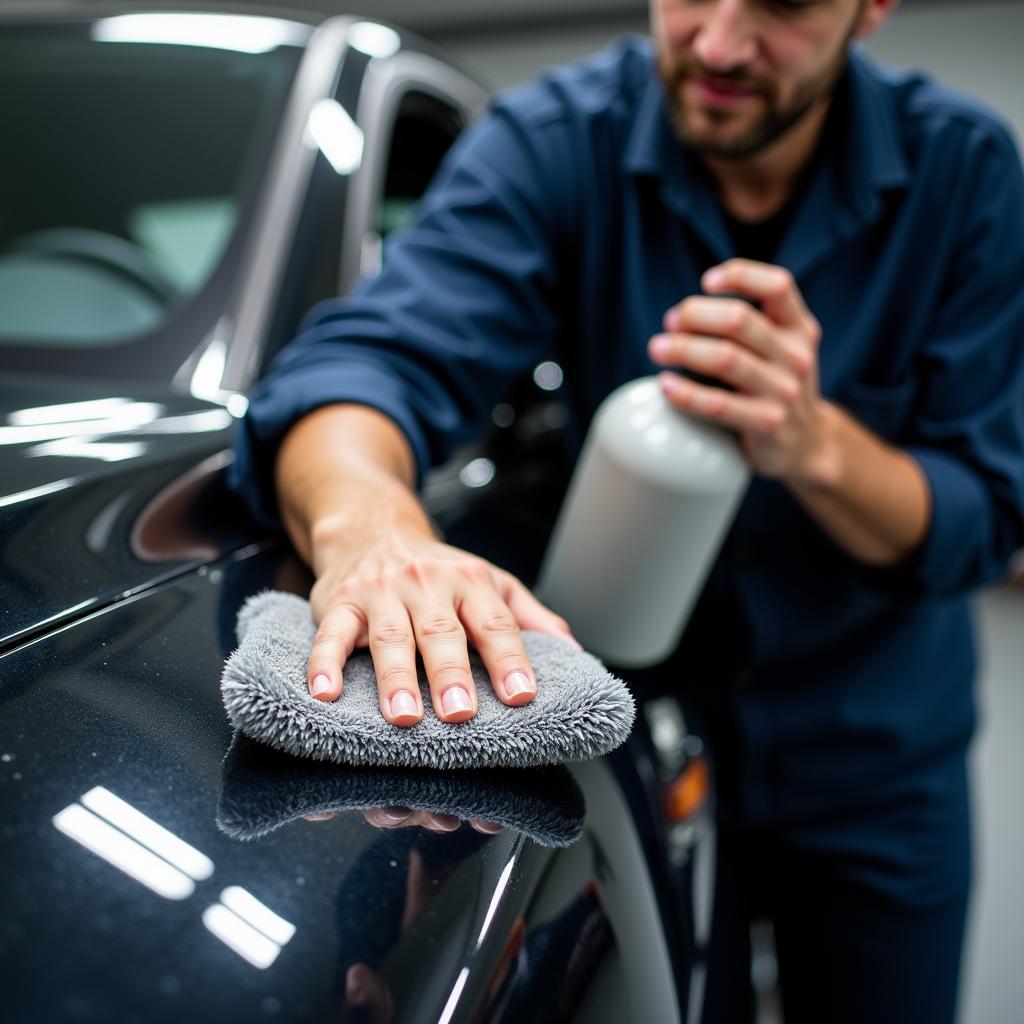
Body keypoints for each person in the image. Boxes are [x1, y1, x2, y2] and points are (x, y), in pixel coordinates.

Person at [231, 0, 1024, 1019]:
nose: (723, 44)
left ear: (870, 8)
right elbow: (369, 361)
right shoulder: (555, 144)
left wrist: (816, 443)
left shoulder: (964, 174)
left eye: (781, 6)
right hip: (641, 742)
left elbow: (984, 515)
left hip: (874, 754)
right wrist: (373, 533)